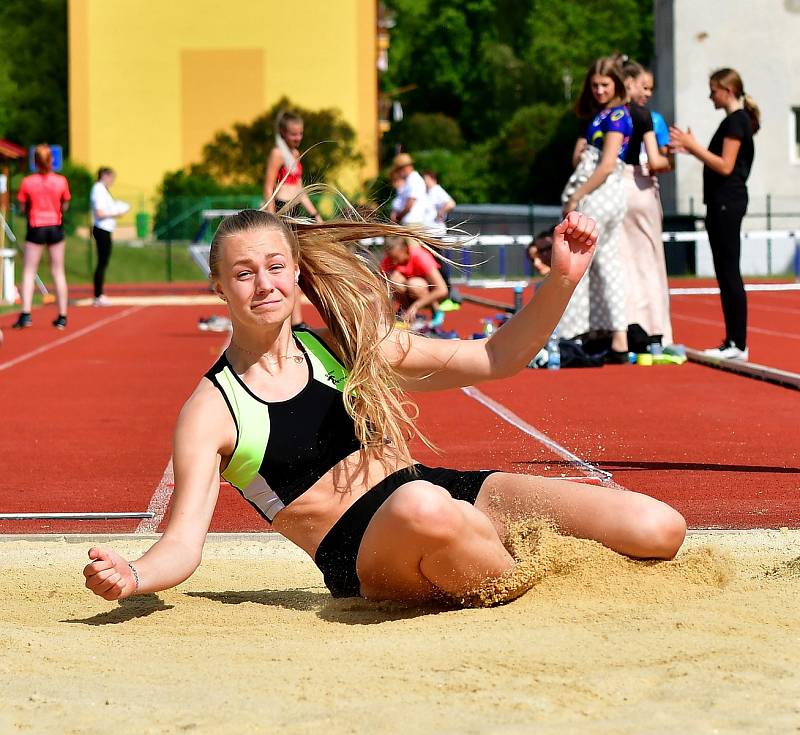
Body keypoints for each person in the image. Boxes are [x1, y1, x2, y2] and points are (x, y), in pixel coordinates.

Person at [83, 208, 686, 606]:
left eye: (274, 266)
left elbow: (497, 357)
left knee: (658, 528)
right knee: (424, 508)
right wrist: (135, 575)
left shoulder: (347, 346)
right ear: (219, 287)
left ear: (296, 273)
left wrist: (561, 279)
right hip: (367, 551)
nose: (263, 283)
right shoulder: (212, 408)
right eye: (243, 273)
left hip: (438, 492)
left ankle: (490, 548)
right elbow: (184, 541)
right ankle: (519, 574)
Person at [670, 68, 759, 360]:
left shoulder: (737, 122)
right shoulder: (734, 121)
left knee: (729, 270)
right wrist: (691, 148)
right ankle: (733, 340)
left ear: (727, 90)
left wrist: (693, 147)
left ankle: (737, 342)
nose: (710, 96)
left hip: (727, 202)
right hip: (721, 202)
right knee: (724, 270)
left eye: (713, 91)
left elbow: (725, 165)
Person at [560, 56, 633, 363]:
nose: (599, 90)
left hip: (603, 191)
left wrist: (577, 196)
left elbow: (606, 164)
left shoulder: (617, 115)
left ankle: (575, 332)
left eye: (605, 85)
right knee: (603, 261)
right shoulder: (601, 115)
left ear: (617, 84)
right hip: (601, 189)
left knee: (580, 259)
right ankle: (611, 336)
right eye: (594, 85)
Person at [618, 59, 674, 349]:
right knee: (649, 263)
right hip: (639, 187)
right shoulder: (646, 117)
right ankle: (653, 329)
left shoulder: (604, 116)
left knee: (621, 263)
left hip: (611, 189)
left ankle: (622, 330)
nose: (647, 92)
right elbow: (657, 160)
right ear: (630, 84)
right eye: (644, 86)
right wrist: (672, 158)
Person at [263, 110, 323, 328]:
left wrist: (316, 215)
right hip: (281, 211)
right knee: (289, 264)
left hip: (296, 210)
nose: (298, 138)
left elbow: (300, 189)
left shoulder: (296, 154)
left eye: (300, 134)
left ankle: (296, 320)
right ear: (282, 133)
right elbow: (269, 186)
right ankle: (294, 321)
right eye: (293, 134)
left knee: (297, 266)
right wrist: (271, 218)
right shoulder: (277, 154)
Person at [12, 144, 71, 330]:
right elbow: (65, 205)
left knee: (29, 271)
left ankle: (26, 314)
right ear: (52, 160)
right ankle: (62, 316)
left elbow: (22, 207)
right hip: (55, 226)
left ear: (35, 161)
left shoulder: (28, 182)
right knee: (58, 271)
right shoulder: (61, 181)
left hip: (36, 226)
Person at [380, 235, 449, 326]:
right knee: (394, 279)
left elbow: (442, 290)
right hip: (409, 295)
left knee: (415, 284)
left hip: (429, 293)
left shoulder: (420, 256)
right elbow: (381, 290)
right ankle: (406, 313)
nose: (394, 262)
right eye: (391, 258)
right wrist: (381, 315)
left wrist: (416, 306)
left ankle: (436, 312)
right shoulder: (388, 260)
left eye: (396, 258)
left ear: (406, 249)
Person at [90, 167, 130, 306]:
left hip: (105, 228)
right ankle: (98, 295)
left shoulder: (102, 190)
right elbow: (100, 213)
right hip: (102, 228)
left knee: (103, 262)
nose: (113, 181)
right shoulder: (98, 189)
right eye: (111, 177)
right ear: (104, 176)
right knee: (102, 262)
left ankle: (99, 294)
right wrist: (116, 213)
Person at [389, 153, 435, 228]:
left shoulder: (414, 180)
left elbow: (410, 203)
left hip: (413, 223)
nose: (398, 172)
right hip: (409, 222)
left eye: (398, 169)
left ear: (404, 168)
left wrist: (398, 217)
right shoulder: (410, 180)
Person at [422, 170, 456, 238]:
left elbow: (451, 204)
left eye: (425, 179)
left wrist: (441, 212)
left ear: (432, 179)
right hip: (428, 232)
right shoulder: (428, 192)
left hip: (435, 231)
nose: (424, 181)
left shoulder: (437, 190)